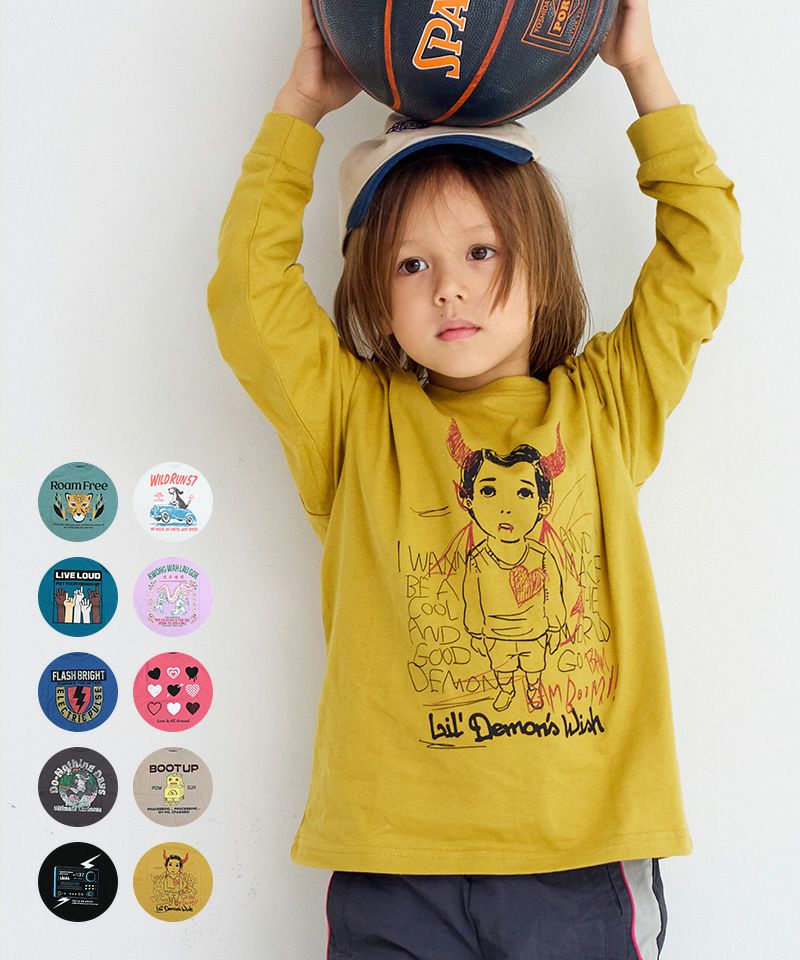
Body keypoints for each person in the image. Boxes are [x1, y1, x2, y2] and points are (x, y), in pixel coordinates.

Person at [207, 0, 742, 955]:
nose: (448, 285)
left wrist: (642, 71)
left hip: (582, 855)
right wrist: (299, 109)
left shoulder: (605, 407)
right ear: (376, 296)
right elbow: (250, 298)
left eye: (480, 251)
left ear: (546, 263)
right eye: (410, 264)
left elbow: (702, 254)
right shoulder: (357, 425)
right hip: (392, 863)